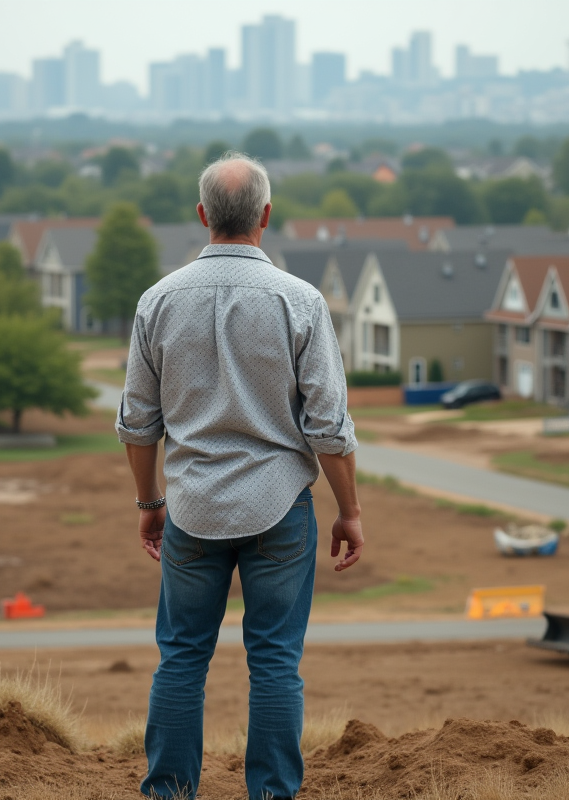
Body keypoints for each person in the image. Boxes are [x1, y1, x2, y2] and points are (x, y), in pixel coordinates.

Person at [116, 152, 364, 800]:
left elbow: (137, 422)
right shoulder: (302, 302)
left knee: (181, 659)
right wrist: (350, 511)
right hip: (281, 508)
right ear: (266, 216)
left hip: (191, 508)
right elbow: (330, 427)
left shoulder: (157, 301)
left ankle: (168, 792)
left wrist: (150, 500)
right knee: (276, 663)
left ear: (202, 216)